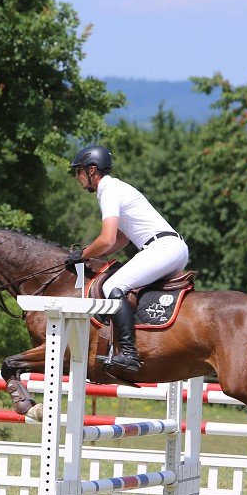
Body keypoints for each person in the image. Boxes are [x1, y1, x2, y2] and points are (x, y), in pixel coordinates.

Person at [63, 145, 189, 373]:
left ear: (92, 170)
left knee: (113, 285)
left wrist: (83, 255)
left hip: (163, 248)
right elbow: (120, 240)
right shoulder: (116, 188)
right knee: (128, 287)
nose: (77, 177)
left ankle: (129, 354)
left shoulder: (109, 191)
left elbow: (108, 239)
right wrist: (92, 254)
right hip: (172, 249)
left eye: (79, 171)